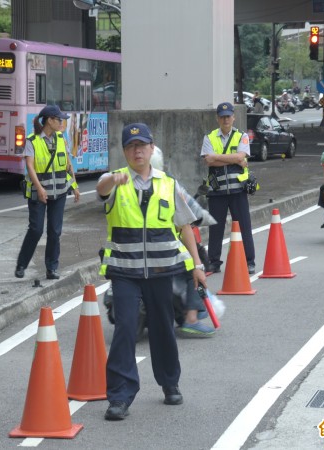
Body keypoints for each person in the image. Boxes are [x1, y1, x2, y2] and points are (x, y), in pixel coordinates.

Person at [97, 123, 208, 421]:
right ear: (124, 151)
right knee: (125, 330)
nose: (137, 151)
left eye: (142, 145)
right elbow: (101, 187)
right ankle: (119, 397)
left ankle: (170, 382)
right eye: (131, 147)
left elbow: (185, 227)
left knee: (162, 327)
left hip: (161, 271)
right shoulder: (115, 182)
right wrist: (111, 178)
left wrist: (197, 266)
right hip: (124, 273)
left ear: (151, 148)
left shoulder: (167, 184)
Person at [150, 145, 216, 338]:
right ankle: (192, 319)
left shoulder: (127, 185)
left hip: (134, 254)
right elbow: (185, 222)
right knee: (194, 270)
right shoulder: (168, 185)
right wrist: (197, 265)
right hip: (166, 252)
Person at [14, 105, 80, 280]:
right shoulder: (32, 140)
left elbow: (67, 164)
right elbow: (30, 166)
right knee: (36, 229)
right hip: (39, 193)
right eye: (59, 119)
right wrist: (41, 188)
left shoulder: (61, 138)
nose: (62, 123)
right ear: (49, 120)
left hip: (59, 192)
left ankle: (51, 268)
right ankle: (21, 264)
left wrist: (74, 185)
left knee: (54, 231)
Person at [201, 102, 256, 274]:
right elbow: (209, 160)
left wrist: (217, 157)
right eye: (222, 116)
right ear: (218, 118)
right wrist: (234, 159)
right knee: (215, 228)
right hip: (217, 191)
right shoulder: (209, 137)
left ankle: (249, 262)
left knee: (244, 226)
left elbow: (241, 156)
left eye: (228, 116)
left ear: (234, 117)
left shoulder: (242, 136)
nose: (226, 119)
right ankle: (214, 262)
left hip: (238, 189)